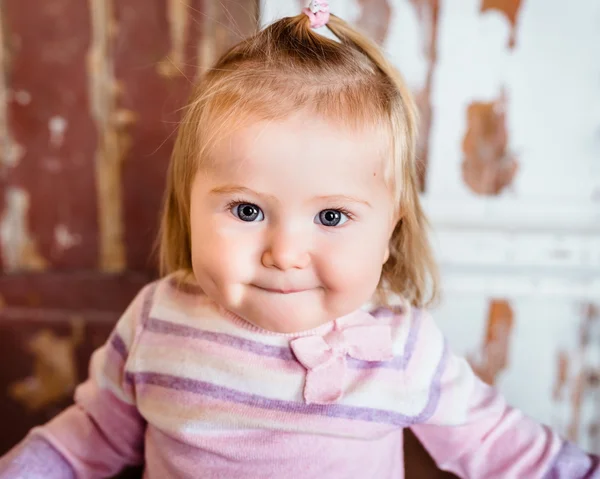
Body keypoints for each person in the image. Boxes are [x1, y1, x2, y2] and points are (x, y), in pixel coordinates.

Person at [1, 1, 598, 477]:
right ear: (189, 206)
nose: (284, 254)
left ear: (390, 234)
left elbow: (509, 451)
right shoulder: (159, 320)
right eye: (246, 209)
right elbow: (91, 437)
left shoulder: (403, 350)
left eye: (332, 217)